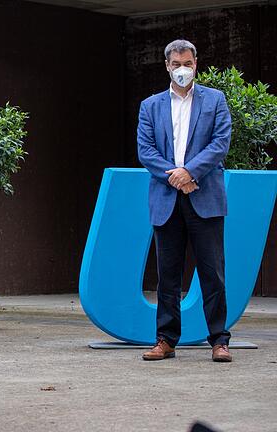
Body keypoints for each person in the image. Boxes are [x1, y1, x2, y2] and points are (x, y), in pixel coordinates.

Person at [137, 40, 233, 362]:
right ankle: (165, 340)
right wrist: (174, 176)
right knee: (168, 276)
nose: (182, 69)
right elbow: (146, 151)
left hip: (204, 196)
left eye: (187, 63)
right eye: (176, 63)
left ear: (196, 63)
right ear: (166, 65)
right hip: (167, 200)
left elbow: (220, 143)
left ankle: (219, 340)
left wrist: (190, 172)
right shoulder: (150, 106)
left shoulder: (215, 100)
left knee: (212, 273)